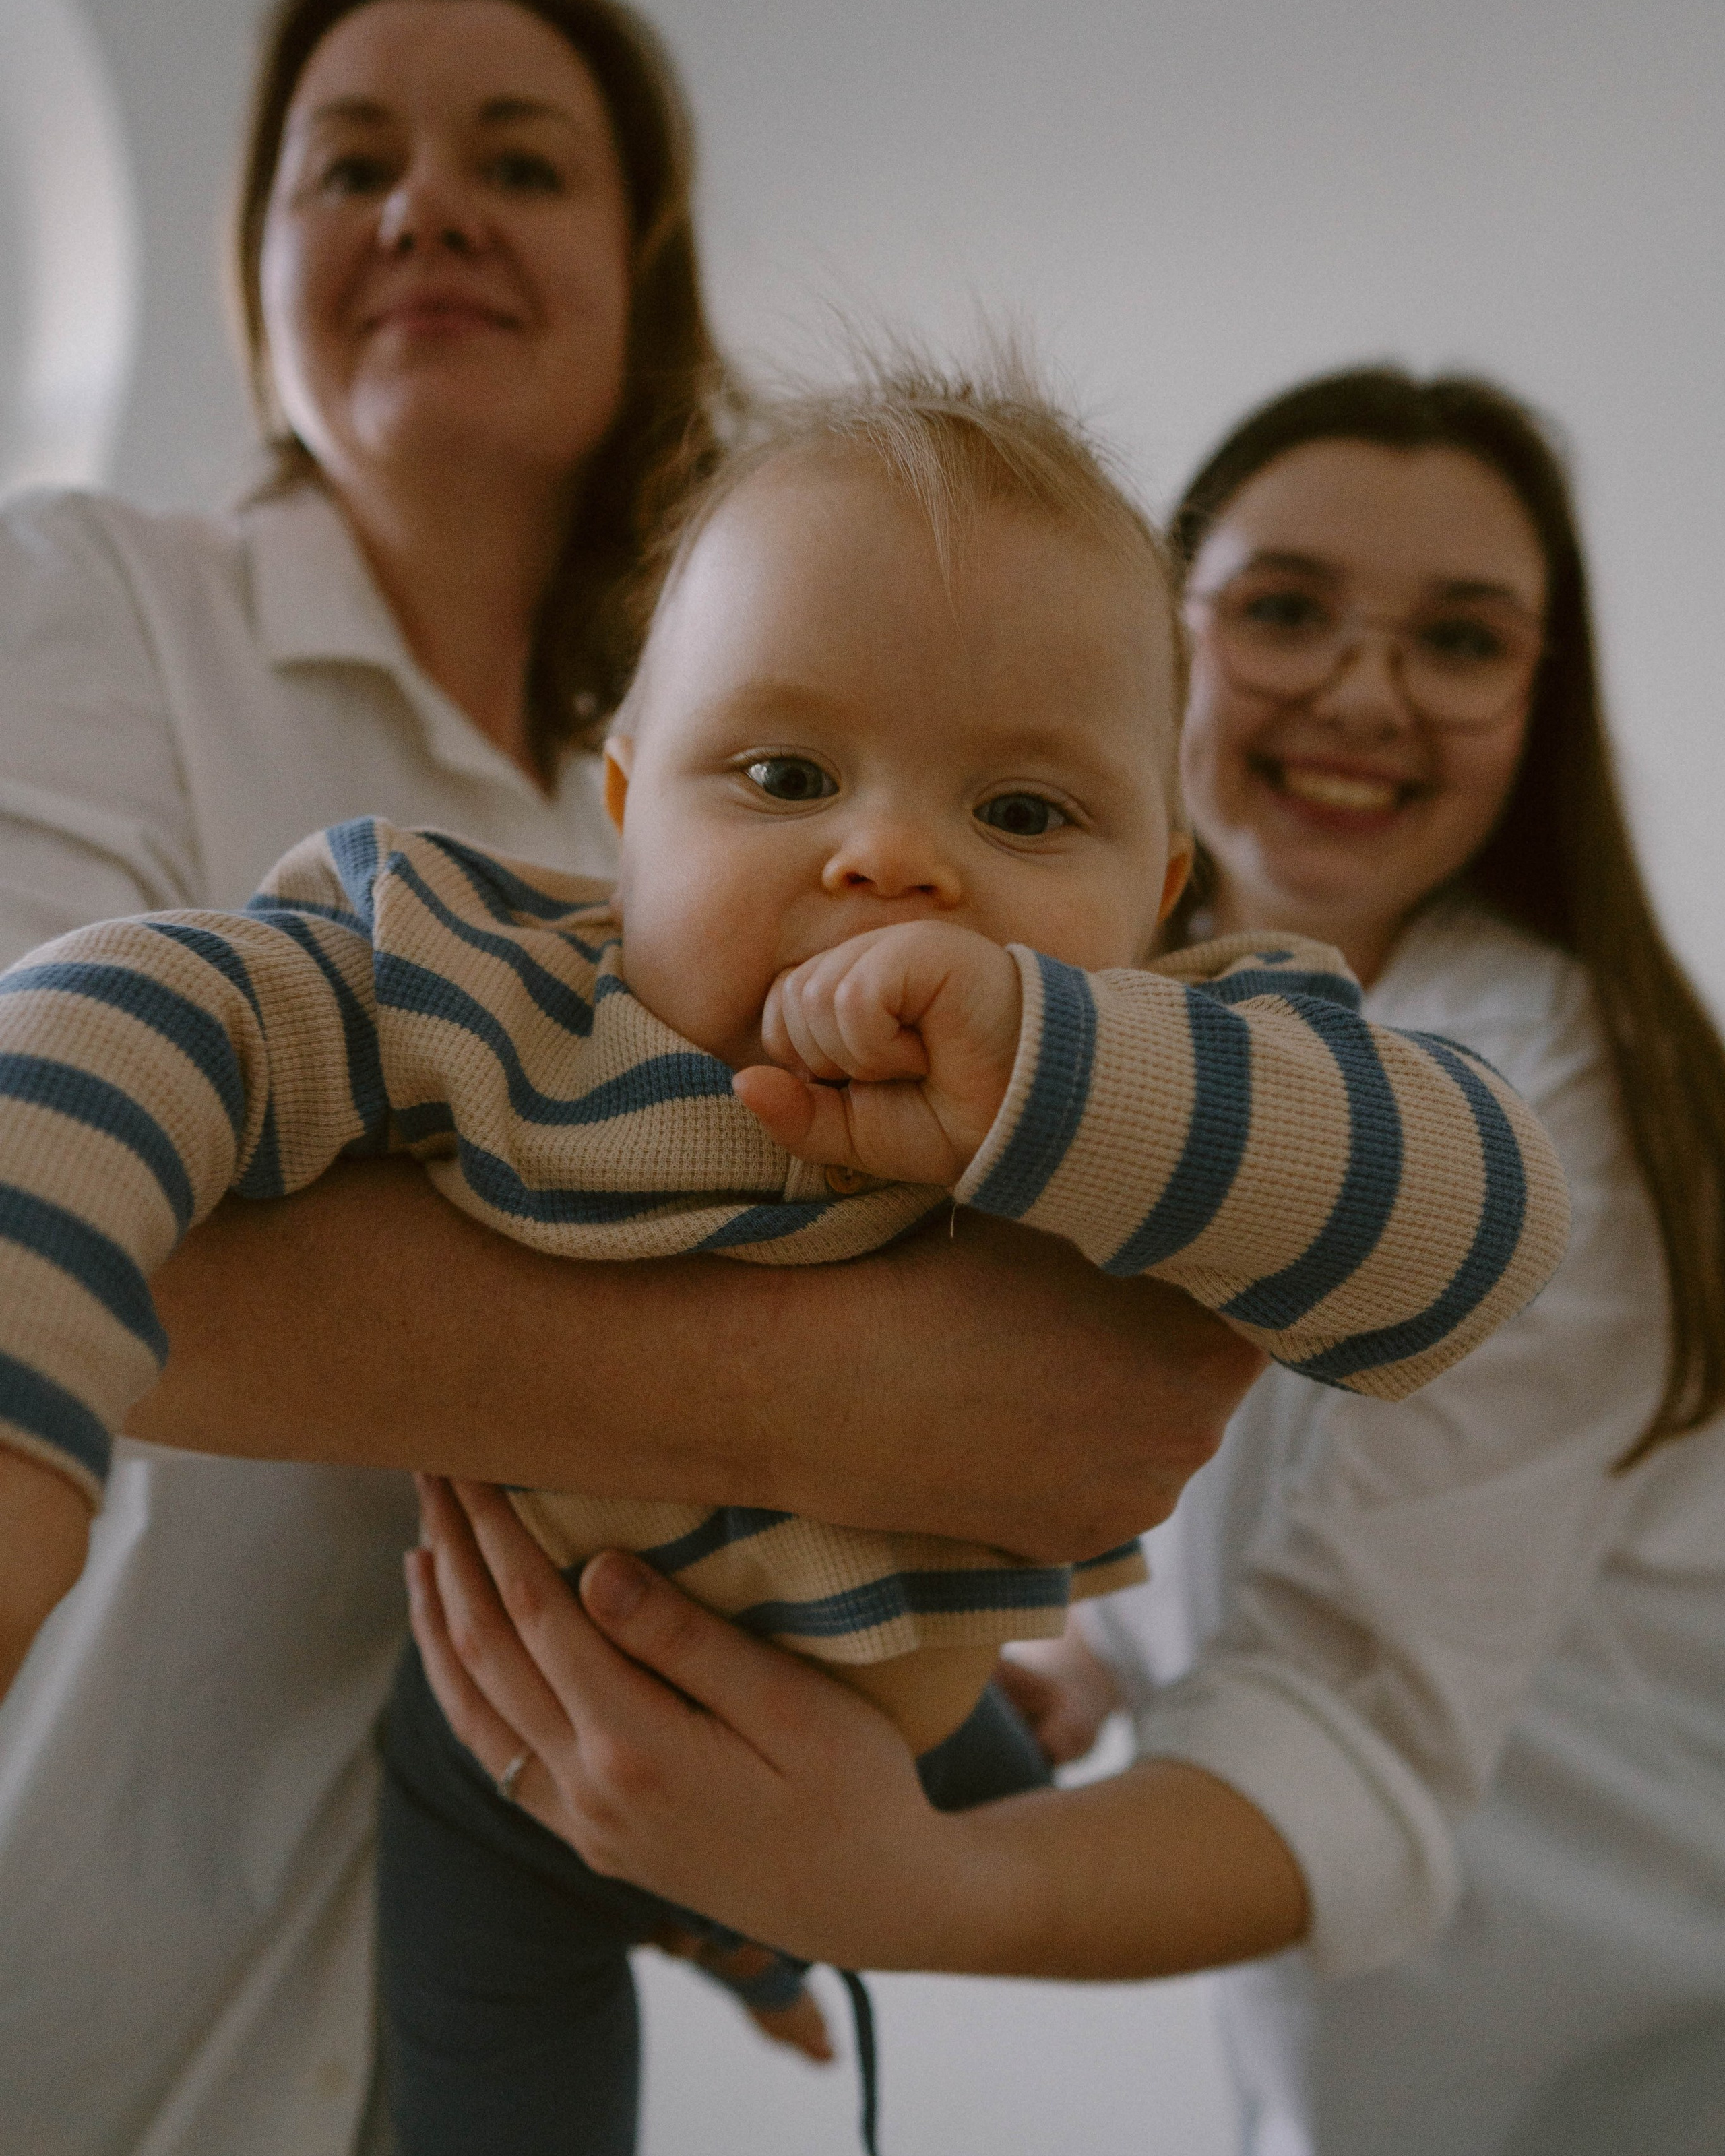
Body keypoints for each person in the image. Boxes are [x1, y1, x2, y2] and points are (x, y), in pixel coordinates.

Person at [0, 361, 1570, 2156]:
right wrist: (26, 1422)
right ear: (622, 805)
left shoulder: (1186, 1055)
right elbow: (118, 1016)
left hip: (900, 1747)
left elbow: (1490, 1230)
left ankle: (764, 1898)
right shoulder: (477, 982)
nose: (891, 856)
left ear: (1157, 888)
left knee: (1000, 1767)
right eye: (783, 773)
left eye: (1029, 817)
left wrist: (1052, 1075)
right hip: (498, 1761)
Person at [0, 8, 1271, 2151]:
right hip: (79, 1935)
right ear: (253, 265)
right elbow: (65, 1185)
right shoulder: (94, 599)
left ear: (643, 262)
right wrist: (885, 1393)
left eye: (521, 159)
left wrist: (774, 1834)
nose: (428, 208)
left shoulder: (740, 791)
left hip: (451, 1979)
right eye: (347, 165)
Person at [401, 367, 1725, 2156]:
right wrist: (1076, 1654)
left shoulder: (1537, 1086)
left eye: (1465, 641)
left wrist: (912, 1891)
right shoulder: (1098, 1018)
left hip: (1609, 2038)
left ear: (1541, 700)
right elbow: (1197, 1439)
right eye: (1283, 609)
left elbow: (1362, 1729)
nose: (1362, 689)